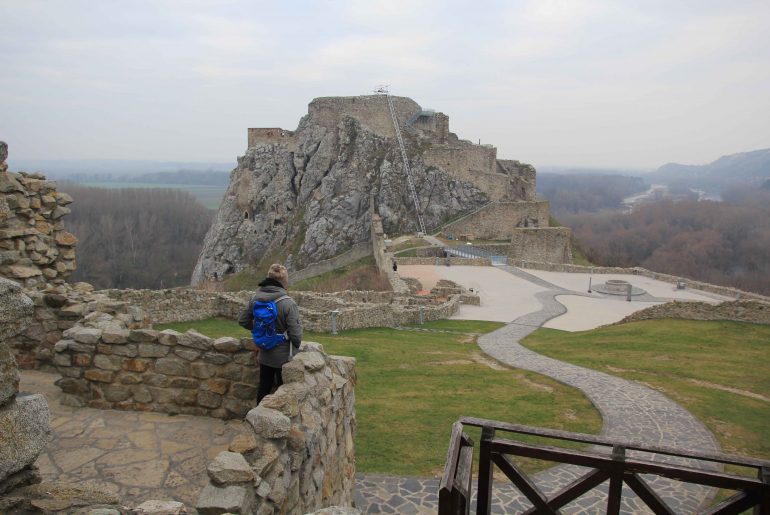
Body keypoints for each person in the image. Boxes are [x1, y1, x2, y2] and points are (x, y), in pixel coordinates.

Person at [238, 263, 302, 404]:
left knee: (264, 387)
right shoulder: (288, 303)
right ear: (284, 282)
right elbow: (296, 336)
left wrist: (260, 331)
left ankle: (256, 419)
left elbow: (243, 321)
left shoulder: (255, 299)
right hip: (283, 357)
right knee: (282, 391)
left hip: (264, 353)